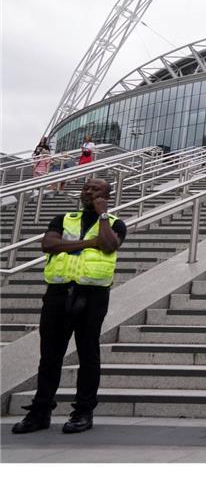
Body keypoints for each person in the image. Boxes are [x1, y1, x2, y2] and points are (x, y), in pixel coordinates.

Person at [11, 179, 127, 434]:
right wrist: (88, 243)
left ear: (107, 195)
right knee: (50, 354)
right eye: (86, 188)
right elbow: (49, 245)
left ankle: (83, 411)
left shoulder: (114, 222)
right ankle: (40, 411)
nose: (88, 191)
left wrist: (103, 215)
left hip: (93, 295)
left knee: (88, 354)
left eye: (95, 189)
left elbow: (109, 245)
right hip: (59, 292)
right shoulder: (63, 218)